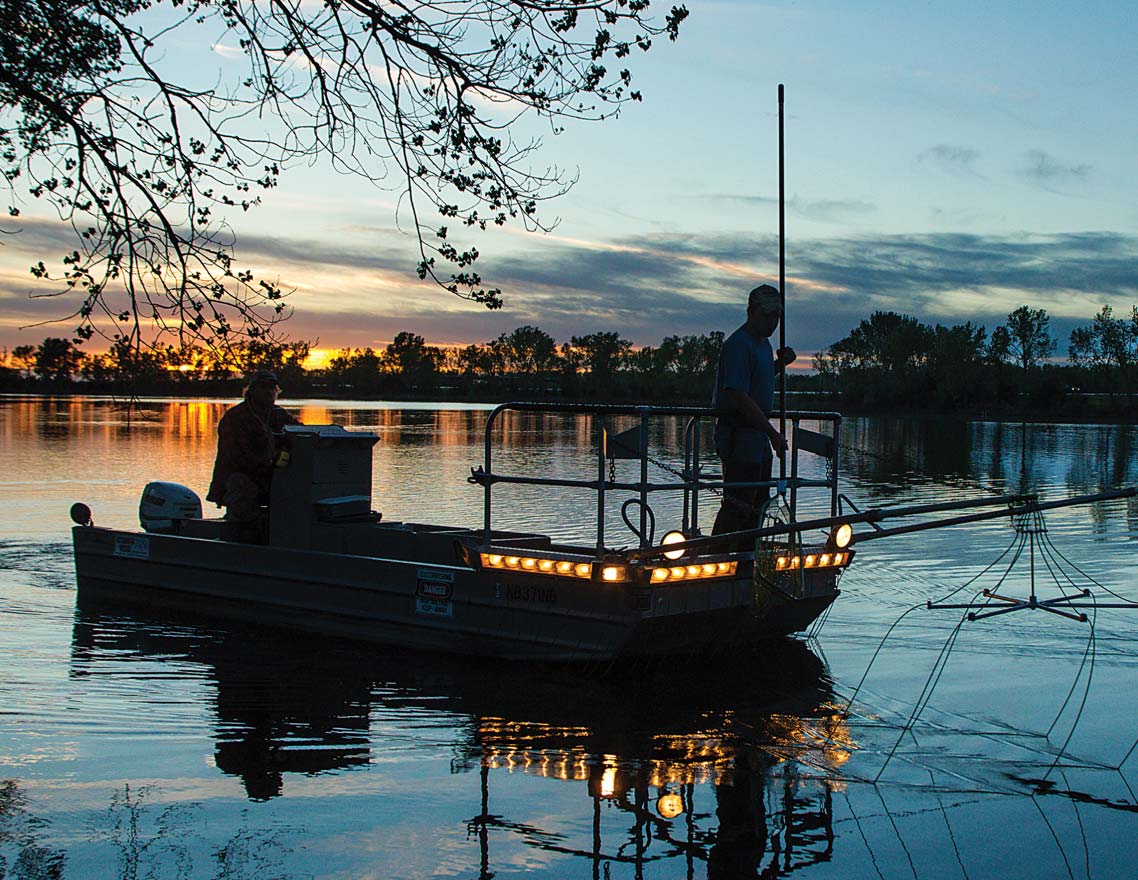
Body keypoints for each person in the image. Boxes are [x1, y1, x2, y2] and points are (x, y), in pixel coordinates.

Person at [711, 284, 796, 539]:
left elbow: (758, 378)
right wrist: (772, 433)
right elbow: (738, 395)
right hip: (740, 436)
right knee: (738, 504)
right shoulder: (738, 344)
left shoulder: (763, 344)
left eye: (776, 317)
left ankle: (747, 561)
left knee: (758, 505)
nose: (772, 322)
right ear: (751, 312)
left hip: (757, 437)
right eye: (767, 315)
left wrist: (780, 364)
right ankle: (718, 557)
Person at [206, 369, 301, 521]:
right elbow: (236, 457)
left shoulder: (280, 414)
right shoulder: (234, 417)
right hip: (239, 476)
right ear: (252, 390)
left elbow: (301, 435)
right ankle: (236, 533)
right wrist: (269, 465)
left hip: (270, 476)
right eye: (263, 387)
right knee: (242, 488)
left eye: (272, 388)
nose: (269, 391)